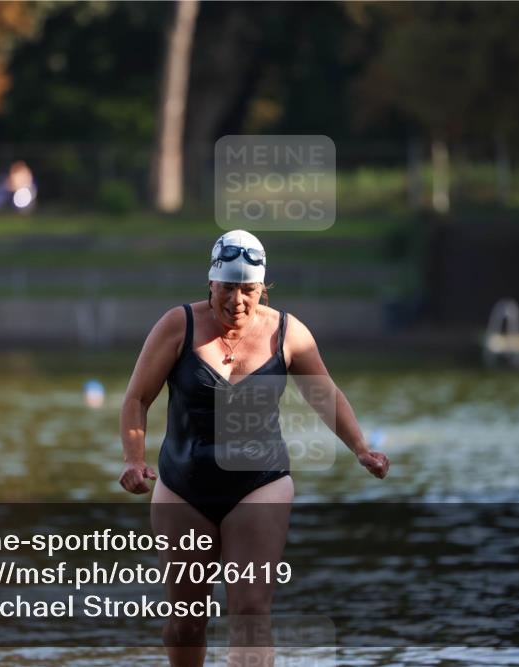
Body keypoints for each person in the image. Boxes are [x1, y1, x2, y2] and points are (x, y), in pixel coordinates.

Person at [119, 229, 389, 666]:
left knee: (250, 609)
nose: (237, 301)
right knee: (187, 620)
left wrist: (360, 447)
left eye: (248, 290)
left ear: (263, 288)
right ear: (211, 282)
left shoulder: (288, 332)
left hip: (259, 484)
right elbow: (136, 400)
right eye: (228, 288)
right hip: (183, 487)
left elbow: (326, 396)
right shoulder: (177, 326)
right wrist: (134, 460)